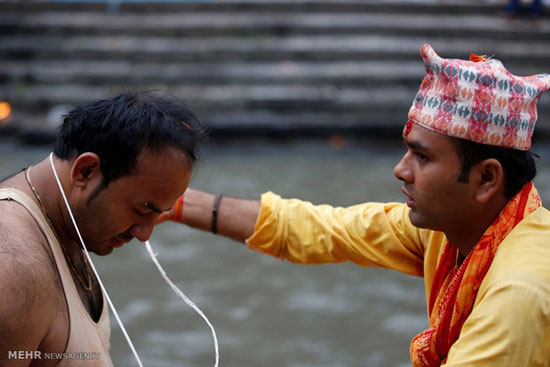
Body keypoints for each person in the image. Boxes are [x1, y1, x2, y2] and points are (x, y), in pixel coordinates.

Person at [158, 44, 550, 366]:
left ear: (486, 179)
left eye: (422, 157)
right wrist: (173, 203)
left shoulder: (517, 294)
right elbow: (321, 229)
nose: (401, 170)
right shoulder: (453, 231)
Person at [0, 92, 207, 366]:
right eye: (143, 208)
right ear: (85, 172)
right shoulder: (13, 269)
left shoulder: (71, 224)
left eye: (159, 213)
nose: (144, 234)